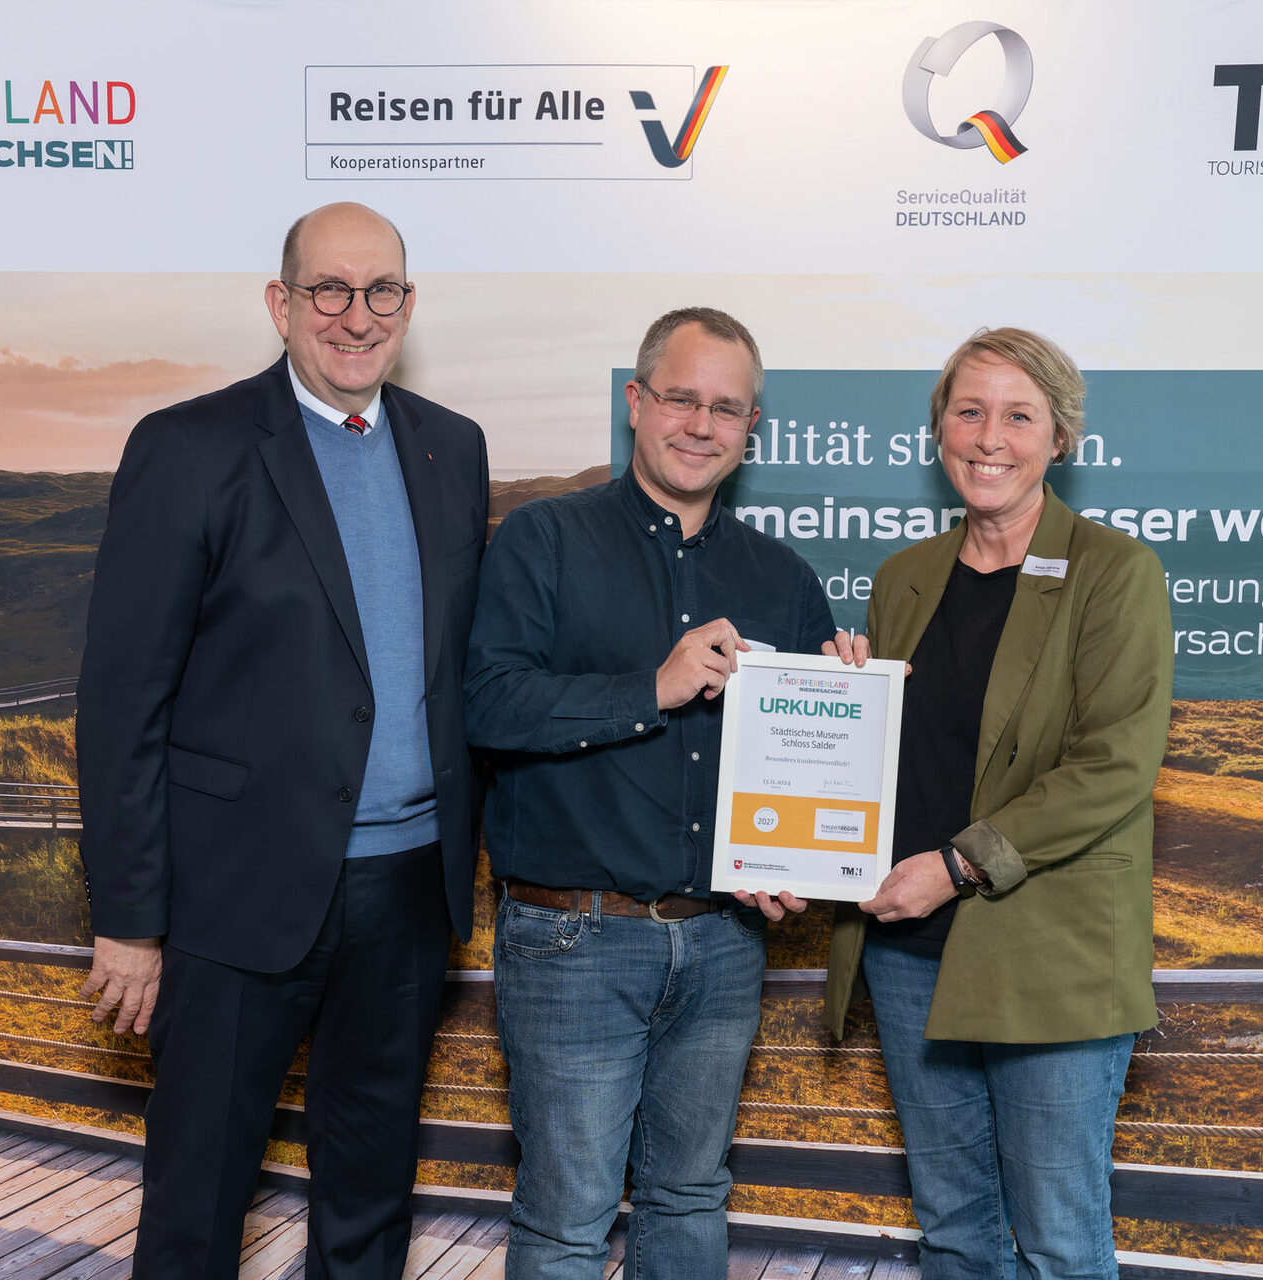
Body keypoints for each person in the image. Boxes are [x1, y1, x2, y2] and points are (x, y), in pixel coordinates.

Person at [74, 202, 489, 1280]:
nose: (357, 315)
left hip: (406, 894)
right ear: (281, 303)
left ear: (409, 303)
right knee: (197, 1206)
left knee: (370, 1199)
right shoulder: (189, 448)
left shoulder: (453, 447)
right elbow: (123, 703)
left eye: (381, 289)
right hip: (232, 896)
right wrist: (129, 919)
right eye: (329, 289)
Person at [465, 307, 846, 1280]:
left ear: (751, 426)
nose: (700, 425)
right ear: (635, 402)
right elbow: (490, 704)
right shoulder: (545, 539)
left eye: (726, 407)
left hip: (723, 943)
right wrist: (653, 688)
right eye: (681, 398)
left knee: (689, 1197)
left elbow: (804, 762)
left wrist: (847, 701)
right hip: (573, 940)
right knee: (567, 1221)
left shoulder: (783, 577)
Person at [822, 327, 1173, 1279]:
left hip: (1047, 952)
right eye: (969, 411)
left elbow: (1113, 764)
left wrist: (955, 865)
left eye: (1019, 416)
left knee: (1059, 1242)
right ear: (938, 427)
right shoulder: (903, 577)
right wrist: (842, 698)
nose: (989, 438)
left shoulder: (1114, 571)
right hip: (908, 952)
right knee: (952, 1229)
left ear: (1060, 438)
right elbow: (895, 750)